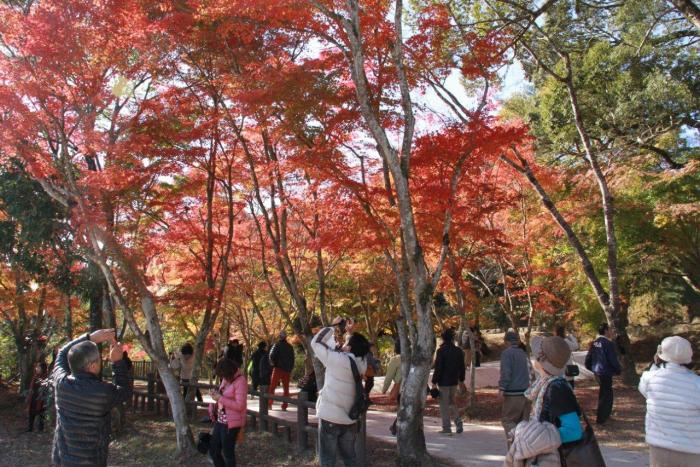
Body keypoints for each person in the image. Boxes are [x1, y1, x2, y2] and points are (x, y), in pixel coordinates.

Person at [51, 329, 133, 466]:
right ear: (92, 366)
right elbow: (124, 392)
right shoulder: (102, 392)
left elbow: (62, 353)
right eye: (99, 360)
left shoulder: (61, 384)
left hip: (62, 460)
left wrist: (89, 337)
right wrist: (118, 362)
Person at [506, 336, 583, 467]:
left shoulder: (557, 388)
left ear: (541, 360)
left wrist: (533, 439)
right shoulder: (544, 384)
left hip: (553, 460)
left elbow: (574, 430)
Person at [311, 324, 369, 467]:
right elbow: (353, 354)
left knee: (328, 459)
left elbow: (315, 343)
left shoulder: (337, 359)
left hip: (330, 417)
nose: (343, 344)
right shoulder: (362, 364)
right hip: (350, 419)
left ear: (349, 348)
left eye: (346, 342)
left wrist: (332, 326)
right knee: (350, 459)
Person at [639, 336, 700, 467]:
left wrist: (655, 364)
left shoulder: (649, 378)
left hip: (659, 448)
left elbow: (644, 391)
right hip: (692, 450)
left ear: (659, 355)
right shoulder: (697, 384)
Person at [208, 358, 247, 467]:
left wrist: (220, 398)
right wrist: (216, 394)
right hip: (220, 420)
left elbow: (240, 406)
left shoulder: (241, 381)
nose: (222, 378)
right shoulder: (226, 379)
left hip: (231, 423)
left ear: (228, 371)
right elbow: (223, 395)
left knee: (228, 454)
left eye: (222, 375)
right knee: (213, 450)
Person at [584, 322, 621, 424]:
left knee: (603, 393)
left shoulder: (595, 343)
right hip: (605, 372)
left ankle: (603, 416)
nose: (610, 332)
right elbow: (612, 359)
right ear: (605, 330)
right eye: (609, 329)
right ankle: (602, 418)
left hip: (597, 371)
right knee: (607, 395)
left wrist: (591, 368)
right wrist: (618, 369)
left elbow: (588, 358)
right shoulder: (608, 344)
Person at [431, 328, 466, 434]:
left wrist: (434, 381)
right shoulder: (458, 351)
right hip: (454, 381)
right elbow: (462, 366)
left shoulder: (441, 351)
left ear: (443, 338)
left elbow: (439, 367)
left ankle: (446, 428)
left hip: (443, 382)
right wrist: (461, 379)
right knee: (452, 402)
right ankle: (458, 423)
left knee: (444, 405)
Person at [499, 331, 532, 441]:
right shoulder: (523, 353)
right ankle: (524, 450)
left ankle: (515, 446)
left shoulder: (507, 353)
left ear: (506, 341)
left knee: (508, 420)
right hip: (526, 392)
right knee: (523, 423)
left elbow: (506, 373)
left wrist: (502, 388)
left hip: (513, 393)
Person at [268, 330, 295, 410]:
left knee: (272, 387)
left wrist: (273, 364)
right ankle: (284, 406)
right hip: (287, 370)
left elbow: (271, 355)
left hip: (278, 369)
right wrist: (290, 368)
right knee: (286, 389)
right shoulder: (290, 347)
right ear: (286, 337)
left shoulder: (276, 345)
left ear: (279, 336)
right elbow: (292, 359)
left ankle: (270, 404)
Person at [381, 339, 402, 436]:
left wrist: (384, 389)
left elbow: (389, 376)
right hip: (413, 388)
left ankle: (395, 427)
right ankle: (395, 427)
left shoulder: (396, 359)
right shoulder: (413, 359)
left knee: (402, 409)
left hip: (401, 388)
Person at [26, 361, 49, 432]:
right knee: (31, 412)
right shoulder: (35, 376)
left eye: (38, 367)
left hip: (41, 397)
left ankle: (41, 428)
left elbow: (46, 389)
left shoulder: (45, 377)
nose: (36, 368)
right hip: (33, 396)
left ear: (42, 368)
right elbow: (31, 387)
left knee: (41, 412)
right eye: (37, 367)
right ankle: (30, 428)